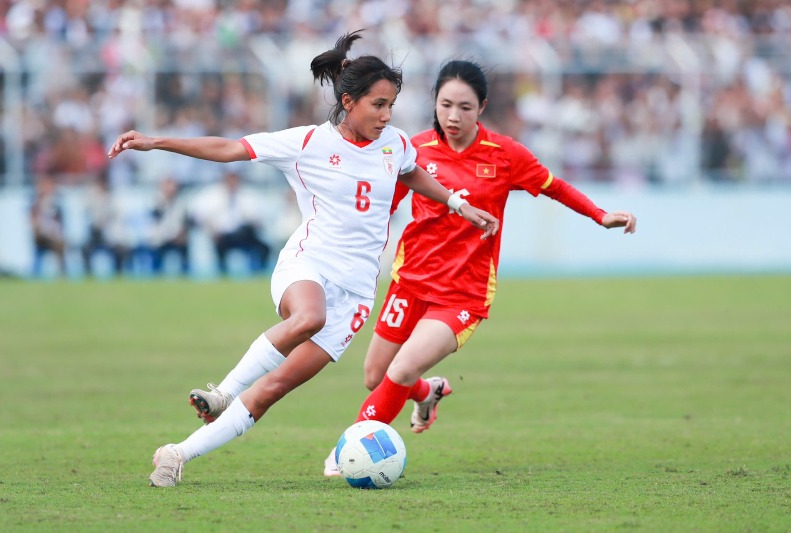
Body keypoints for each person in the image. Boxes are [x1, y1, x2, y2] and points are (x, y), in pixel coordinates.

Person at [106, 31, 499, 487]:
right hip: (307, 266)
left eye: (391, 105)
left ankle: (176, 456)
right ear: (348, 101)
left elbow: (412, 174)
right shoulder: (308, 143)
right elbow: (232, 148)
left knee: (271, 391)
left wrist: (456, 203)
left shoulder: (394, 144)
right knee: (309, 316)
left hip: (354, 297)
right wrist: (157, 142)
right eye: (378, 105)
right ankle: (224, 391)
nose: (387, 115)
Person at [318, 59, 637, 475]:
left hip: (462, 295)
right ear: (434, 104)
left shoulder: (505, 155)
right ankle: (428, 392)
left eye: (465, 107)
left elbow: (553, 186)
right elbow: (382, 205)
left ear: (481, 107)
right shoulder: (411, 151)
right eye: (446, 104)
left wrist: (599, 214)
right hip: (409, 282)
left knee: (401, 368)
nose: (453, 116)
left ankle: (351, 449)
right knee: (376, 375)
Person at [193, 171, 271, 276]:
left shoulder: (248, 195)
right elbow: (200, 216)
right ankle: (223, 272)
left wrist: (253, 222)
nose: (232, 182)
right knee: (220, 242)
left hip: (244, 235)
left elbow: (256, 219)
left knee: (264, 247)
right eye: (230, 178)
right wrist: (212, 229)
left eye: (235, 179)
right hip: (223, 236)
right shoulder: (212, 195)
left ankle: (259, 272)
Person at [148, 176, 192, 275]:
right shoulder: (156, 201)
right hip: (160, 238)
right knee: (155, 249)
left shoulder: (181, 203)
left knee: (184, 246)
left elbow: (185, 223)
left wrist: (180, 235)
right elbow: (155, 219)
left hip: (177, 237)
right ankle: (156, 274)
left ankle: (184, 274)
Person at [30, 175, 67, 277]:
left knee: (60, 244)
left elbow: (60, 224)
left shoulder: (56, 204)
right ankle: (36, 274)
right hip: (41, 237)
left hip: (53, 236)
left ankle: (62, 275)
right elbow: (33, 223)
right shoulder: (36, 204)